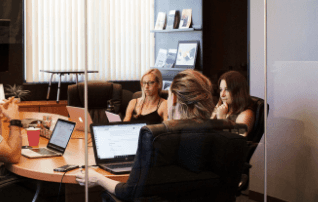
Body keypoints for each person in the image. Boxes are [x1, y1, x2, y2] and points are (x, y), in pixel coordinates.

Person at [77, 69, 214, 192]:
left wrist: (99, 179)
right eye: (144, 83)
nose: (146, 87)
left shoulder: (159, 148)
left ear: (173, 101)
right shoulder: (223, 139)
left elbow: (129, 192)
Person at [211, 70, 255, 136]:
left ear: (238, 91)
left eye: (227, 89)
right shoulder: (224, 108)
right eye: (221, 90)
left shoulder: (247, 114)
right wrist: (213, 115)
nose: (222, 95)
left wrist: (221, 119)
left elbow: (236, 140)